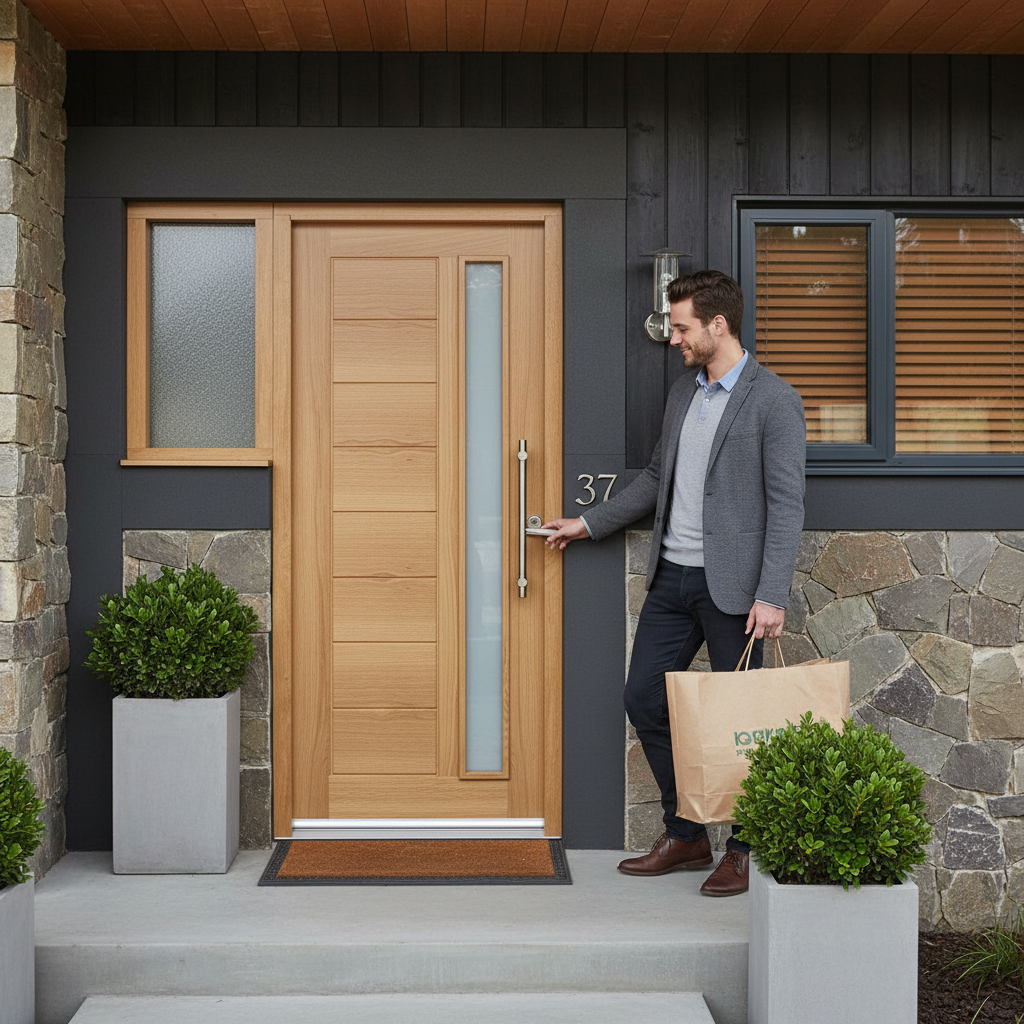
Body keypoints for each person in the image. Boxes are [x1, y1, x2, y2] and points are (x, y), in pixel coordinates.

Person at [542, 270, 805, 896]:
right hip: (673, 581)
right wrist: (588, 523)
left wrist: (772, 592)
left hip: (738, 592)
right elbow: (655, 478)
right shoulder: (685, 395)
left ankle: (742, 848)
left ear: (718, 325)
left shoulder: (773, 399)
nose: (673, 339)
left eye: (682, 327)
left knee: (742, 722)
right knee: (645, 700)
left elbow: (787, 502)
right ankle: (687, 832)